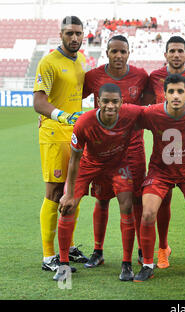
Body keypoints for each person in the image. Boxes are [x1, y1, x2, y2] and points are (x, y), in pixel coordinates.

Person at [54, 83, 149, 282]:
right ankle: (63, 265)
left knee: (127, 204)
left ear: (122, 102)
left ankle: (126, 264)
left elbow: (158, 113)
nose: (110, 106)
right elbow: (74, 159)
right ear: (98, 102)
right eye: (105, 101)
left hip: (117, 165)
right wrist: (69, 193)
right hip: (89, 164)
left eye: (115, 101)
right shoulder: (84, 122)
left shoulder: (131, 113)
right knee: (68, 206)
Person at [133, 74, 185, 283]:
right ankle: (147, 264)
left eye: (180, 91)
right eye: (171, 91)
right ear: (163, 94)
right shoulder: (152, 113)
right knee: (148, 213)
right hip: (160, 172)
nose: (176, 95)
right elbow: (130, 119)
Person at [82, 35, 149, 268]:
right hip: (102, 150)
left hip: (133, 149)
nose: (118, 56)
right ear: (107, 53)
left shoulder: (141, 76)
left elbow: (150, 106)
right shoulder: (93, 76)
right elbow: (72, 98)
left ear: (129, 53)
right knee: (101, 199)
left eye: (123, 51)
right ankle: (97, 250)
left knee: (137, 199)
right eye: (114, 51)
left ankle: (142, 250)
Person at [144, 36, 185, 270]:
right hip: (162, 155)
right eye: (172, 51)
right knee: (162, 202)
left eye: (180, 51)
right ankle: (162, 248)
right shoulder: (154, 78)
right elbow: (146, 108)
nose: (176, 54)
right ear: (165, 54)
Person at [33, 15, 88, 273]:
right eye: (69, 33)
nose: (74, 38)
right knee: (55, 193)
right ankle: (48, 256)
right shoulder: (48, 62)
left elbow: (77, 92)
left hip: (76, 135)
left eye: (78, 33)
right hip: (54, 135)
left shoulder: (82, 60)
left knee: (74, 192)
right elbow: (39, 103)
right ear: (61, 34)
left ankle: (68, 246)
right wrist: (63, 115)